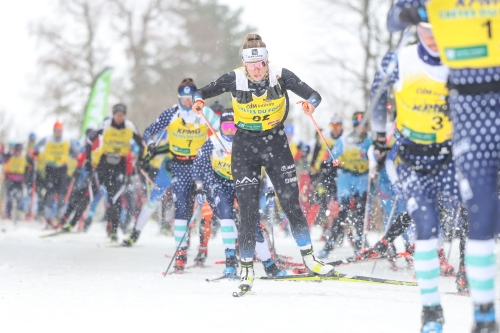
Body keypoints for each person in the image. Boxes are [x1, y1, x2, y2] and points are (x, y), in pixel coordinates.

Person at [192, 33, 334, 293]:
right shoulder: (234, 78)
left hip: (275, 143)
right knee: (247, 212)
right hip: (245, 146)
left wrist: (311, 105)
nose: (257, 69)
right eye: (251, 64)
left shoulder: (280, 75)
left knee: (291, 202)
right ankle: (246, 270)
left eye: (261, 63)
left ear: (267, 60)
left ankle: (310, 259)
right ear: (244, 63)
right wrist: (198, 101)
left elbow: (313, 94)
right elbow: (202, 91)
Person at [371, 17, 468, 332]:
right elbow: (380, 108)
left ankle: (465, 269)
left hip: (453, 154)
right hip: (412, 156)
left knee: (469, 213)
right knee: (421, 218)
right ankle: (431, 308)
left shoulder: (464, 59)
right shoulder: (403, 65)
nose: (434, 37)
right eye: (427, 29)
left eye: (439, 29)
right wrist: (379, 142)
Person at [192, 108, 286, 277]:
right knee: (226, 216)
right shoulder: (213, 141)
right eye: (226, 126)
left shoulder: (249, 140)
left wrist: (271, 190)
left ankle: (269, 265)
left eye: (233, 126)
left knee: (251, 223)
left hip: (244, 182)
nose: (229, 130)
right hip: (220, 182)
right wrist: (200, 187)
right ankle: (230, 262)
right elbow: (198, 164)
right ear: (220, 126)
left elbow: (270, 165)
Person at [142, 78, 219, 270]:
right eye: (183, 99)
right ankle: (181, 253)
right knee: (181, 209)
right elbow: (148, 132)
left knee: (210, 209)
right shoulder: (172, 113)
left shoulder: (205, 112)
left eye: (190, 98)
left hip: (202, 165)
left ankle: (210, 250)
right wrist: (151, 145)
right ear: (178, 98)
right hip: (180, 166)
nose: (187, 103)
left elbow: (225, 131)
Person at [86, 103, 144, 242]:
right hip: (104, 164)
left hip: (120, 166)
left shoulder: (130, 126)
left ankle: (113, 230)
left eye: (122, 116)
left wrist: (140, 161)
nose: (120, 118)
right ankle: (71, 221)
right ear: (113, 114)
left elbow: (141, 143)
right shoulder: (106, 124)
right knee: (89, 193)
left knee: (116, 200)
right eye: (118, 115)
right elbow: (90, 138)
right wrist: (89, 160)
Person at [34, 121, 79, 227]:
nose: (58, 133)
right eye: (56, 131)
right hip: (50, 169)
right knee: (49, 194)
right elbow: (35, 148)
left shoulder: (67, 139)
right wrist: (33, 153)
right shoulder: (48, 139)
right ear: (53, 131)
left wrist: (75, 154)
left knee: (62, 196)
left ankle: (60, 219)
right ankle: (48, 220)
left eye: (60, 131)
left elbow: (77, 151)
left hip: (62, 169)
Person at [3, 144, 33, 220]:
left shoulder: (24, 158)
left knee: (20, 197)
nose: (18, 152)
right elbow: (3, 159)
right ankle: (8, 213)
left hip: (20, 180)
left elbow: (31, 164)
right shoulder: (10, 156)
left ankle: (19, 212)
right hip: (10, 179)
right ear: (15, 150)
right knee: (9, 197)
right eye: (17, 150)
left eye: (19, 150)